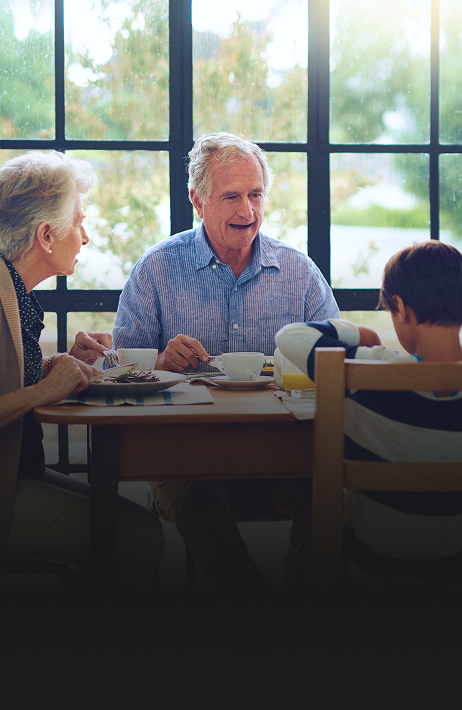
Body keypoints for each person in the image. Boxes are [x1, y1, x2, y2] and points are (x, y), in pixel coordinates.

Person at [113, 132, 340, 597]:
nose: (248, 211)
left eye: (256, 194)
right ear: (198, 200)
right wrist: (160, 360)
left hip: (283, 453)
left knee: (328, 499)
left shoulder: (298, 272)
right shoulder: (157, 269)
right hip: (185, 454)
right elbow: (120, 373)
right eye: (232, 196)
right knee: (201, 509)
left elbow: (338, 361)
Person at [0, 151, 164, 594]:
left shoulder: (3, 285)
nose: (85, 235)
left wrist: (57, 362)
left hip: (8, 475)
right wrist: (43, 391)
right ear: (46, 235)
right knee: (140, 539)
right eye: (79, 221)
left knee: (141, 524)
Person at [276, 241, 462, 587]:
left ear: (399, 307)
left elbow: (290, 335)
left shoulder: (362, 372)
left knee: (303, 545)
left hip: (367, 561)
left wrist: (362, 333)